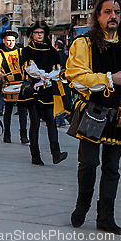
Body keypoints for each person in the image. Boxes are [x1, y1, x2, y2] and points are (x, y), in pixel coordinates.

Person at [65, 0, 121, 234]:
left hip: (119, 114)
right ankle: (82, 204)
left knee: (112, 168)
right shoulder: (83, 43)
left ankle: (106, 217)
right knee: (88, 163)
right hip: (93, 112)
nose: (113, 16)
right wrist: (109, 78)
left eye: (117, 12)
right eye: (107, 12)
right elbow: (76, 77)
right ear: (98, 16)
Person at [21, 22, 68, 166]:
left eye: (41, 32)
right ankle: (35, 155)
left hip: (48, 89)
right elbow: (29, 68)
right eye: (36, 32)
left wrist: (48, 77)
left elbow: (58, 68)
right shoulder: (27, 50)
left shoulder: (52, 51)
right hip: (33, 89)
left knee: (51, 121)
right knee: (34, 122)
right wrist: (43, 76)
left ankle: (56, 153)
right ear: (32, 35)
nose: (39, 35)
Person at [0, 30, 28, 144]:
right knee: (8, 111)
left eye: (13, 41)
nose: (11, 43)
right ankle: (7, 134)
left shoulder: (21, 52)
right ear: (4, 41)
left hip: (21, 85)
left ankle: (23, 135)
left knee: (23, 111)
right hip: (8, 85)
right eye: (8, 40)